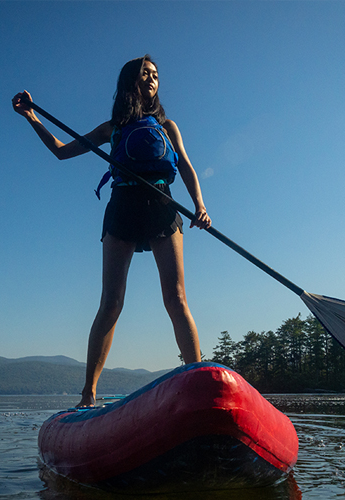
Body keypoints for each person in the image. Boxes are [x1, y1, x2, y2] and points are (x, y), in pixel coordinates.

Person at [12, 55, 211, 407]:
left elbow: (186, 167)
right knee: (111, 302)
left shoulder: (169, 126)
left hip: (163, 206)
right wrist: (32, 117)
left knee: (176, 297)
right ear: (129, 82)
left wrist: (200, 205)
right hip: (122, 209)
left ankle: (196, 379)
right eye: (144, 74)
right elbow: (61, 151)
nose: (151, 79)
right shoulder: (112, 128)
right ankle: (88, 393)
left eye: (155, 75)